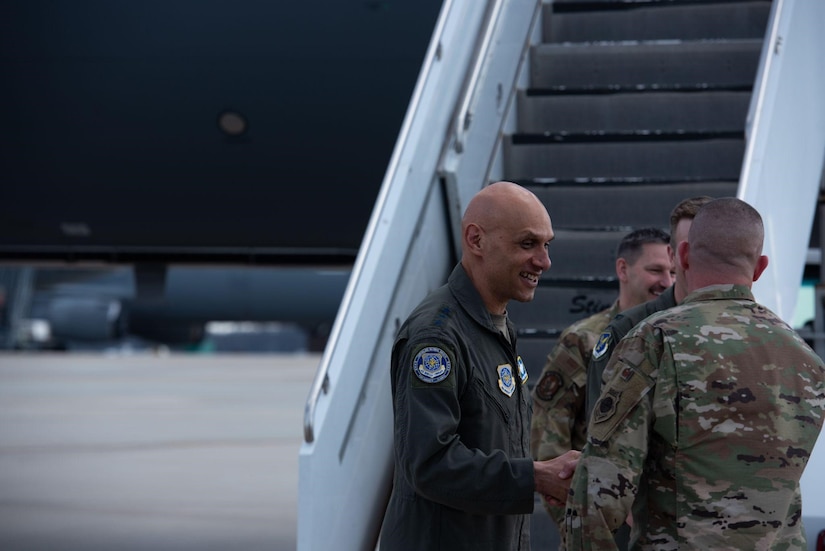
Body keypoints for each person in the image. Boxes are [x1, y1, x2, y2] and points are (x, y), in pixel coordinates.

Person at [565, 197, 825, 550]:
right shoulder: (805, 358)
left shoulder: (653, 340)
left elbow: (600, 492)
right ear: (760, 267)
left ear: (683, 256)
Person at [379, 181, 580, 550]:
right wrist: (534, 476)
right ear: (476, 240)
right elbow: (430, 463)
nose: (544, 261)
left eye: (546, 244)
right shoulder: (437, 337)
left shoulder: (495, 326)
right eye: (527, 244)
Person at [530, 227, 673, 537]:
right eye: (655, 270)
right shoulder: (585, 340)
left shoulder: (676, 337)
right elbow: (548, 438)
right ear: (623, 269)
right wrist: (578, 523)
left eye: (673, 271)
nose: (667, 281)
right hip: (601, 524)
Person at [585, 196, 713, 420]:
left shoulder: (755, 334)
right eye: (691, 249)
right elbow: (602, 436)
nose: (700, 260)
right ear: (674, 255)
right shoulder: (626, 332)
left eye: (711, 250)